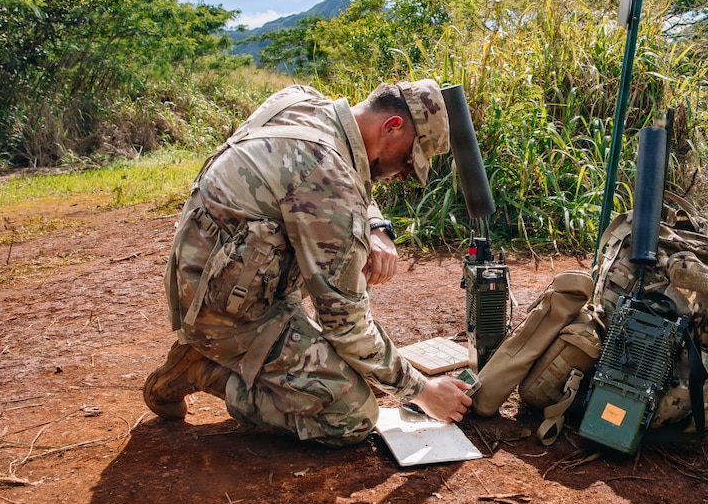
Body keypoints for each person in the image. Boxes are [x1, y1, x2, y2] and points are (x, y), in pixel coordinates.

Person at [143, 79, 472, 445]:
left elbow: (339, 176)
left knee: (360, 364)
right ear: (392, 127)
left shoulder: (302, 102)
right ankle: (202, 369)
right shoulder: (328, 181)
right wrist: (422, 391)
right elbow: (346, 326)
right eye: (410, 158)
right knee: (351, 414)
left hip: (212, 274)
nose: (404, 173)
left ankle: (220, 350)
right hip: (225, 312)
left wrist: (375, 225)